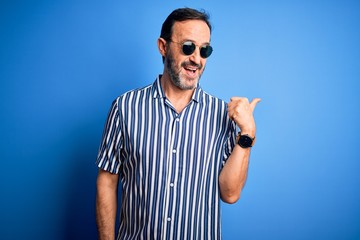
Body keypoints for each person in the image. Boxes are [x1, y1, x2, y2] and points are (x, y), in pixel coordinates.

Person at [95, 7, 260, 240]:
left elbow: (230, 193)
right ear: (163, 46)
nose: (196, 59)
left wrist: (248, 132)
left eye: (205, 50)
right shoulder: (125, 107)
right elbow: (107, 180)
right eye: (188, 47)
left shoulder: (222, 114)